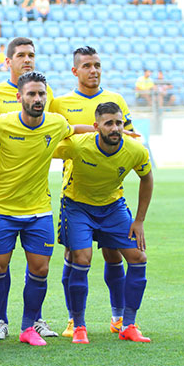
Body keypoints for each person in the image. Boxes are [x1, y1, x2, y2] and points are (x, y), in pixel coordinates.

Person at [49, 46, 135, 337]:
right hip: (76, 194)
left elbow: (131, 137)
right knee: (75, 256)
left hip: (112, 195)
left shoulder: (116, 100)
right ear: (75, 71)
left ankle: (118, 317)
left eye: (97, 64)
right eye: (87, 65)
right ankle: (74, 320)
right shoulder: (60, 103)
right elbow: (49, 137)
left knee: (114, 256)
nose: (94, 70)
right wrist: (90, 130)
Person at [53, 101, 153, 344]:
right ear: (96, 126)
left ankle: (127, 324)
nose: (115, 128)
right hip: (77, 206)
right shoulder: (78, 145)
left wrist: (138, 221)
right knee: (82, 258)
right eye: (109, 123)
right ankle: (78, 326)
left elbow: (147, 179)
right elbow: (43, 147)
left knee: (138, 258)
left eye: (119, 123)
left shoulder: (135, 150)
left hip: (113, 207)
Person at [0, 37, 56, 339]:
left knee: (39, 267)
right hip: (3, 196)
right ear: (8, 60)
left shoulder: (50, 109)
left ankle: (32, 322)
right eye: (21, 55)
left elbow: (67, 129)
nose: (27, 59)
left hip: (38, 202)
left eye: (31, 55)